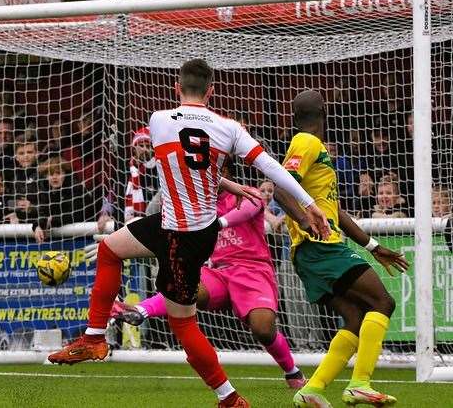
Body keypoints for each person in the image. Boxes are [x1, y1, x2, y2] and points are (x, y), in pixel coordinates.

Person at [48, 59, 330, 408]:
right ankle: (94, 337)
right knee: (110, 249)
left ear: (176, 88)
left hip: (180, 236)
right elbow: (267, 166)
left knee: (182, 322)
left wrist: (227, 185)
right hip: (188, 231)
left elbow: (178, 162)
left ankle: (229, 398)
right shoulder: (228, 127)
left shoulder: (158, 120)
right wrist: (307, 203)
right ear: (211, 90)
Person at [111, 159, 307, 389]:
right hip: (219, 272)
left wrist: (217, 223)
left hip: (253, 270)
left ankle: (292, 372)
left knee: (263, 329)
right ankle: (140, 310)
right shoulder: (199, 205)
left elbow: (243, 212)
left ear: (225, 173)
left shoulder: (249, 194)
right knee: (185, 286)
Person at [274, 90, 409, 408]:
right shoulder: (306, 142)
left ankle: (312, 389)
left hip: (316, 250)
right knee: (382, 301)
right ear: (324, 111)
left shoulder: (315, 149)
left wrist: (373, 246)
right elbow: (281, 189)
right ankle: (360, 383)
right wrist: (304, 221)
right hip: (319, 247)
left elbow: (335, 211)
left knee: (355, 315)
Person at [33, 157, 109, 243]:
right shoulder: (45, 191)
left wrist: (52, 221)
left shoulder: (76, 188)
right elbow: (42, 213)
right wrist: (38, 226)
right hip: (61, 239)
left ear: (65, 173)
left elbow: (75, 215)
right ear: (46, 176)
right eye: (51, 174)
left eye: (58, 173)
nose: (54, 177)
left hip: (86, 237)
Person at [123, 126, 158, 222]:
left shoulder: (156, 171)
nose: (145, 150)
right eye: (141, 146)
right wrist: (105, 212)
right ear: (134, 148)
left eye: (148, 146)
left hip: (150, 222)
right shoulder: (124, 170)